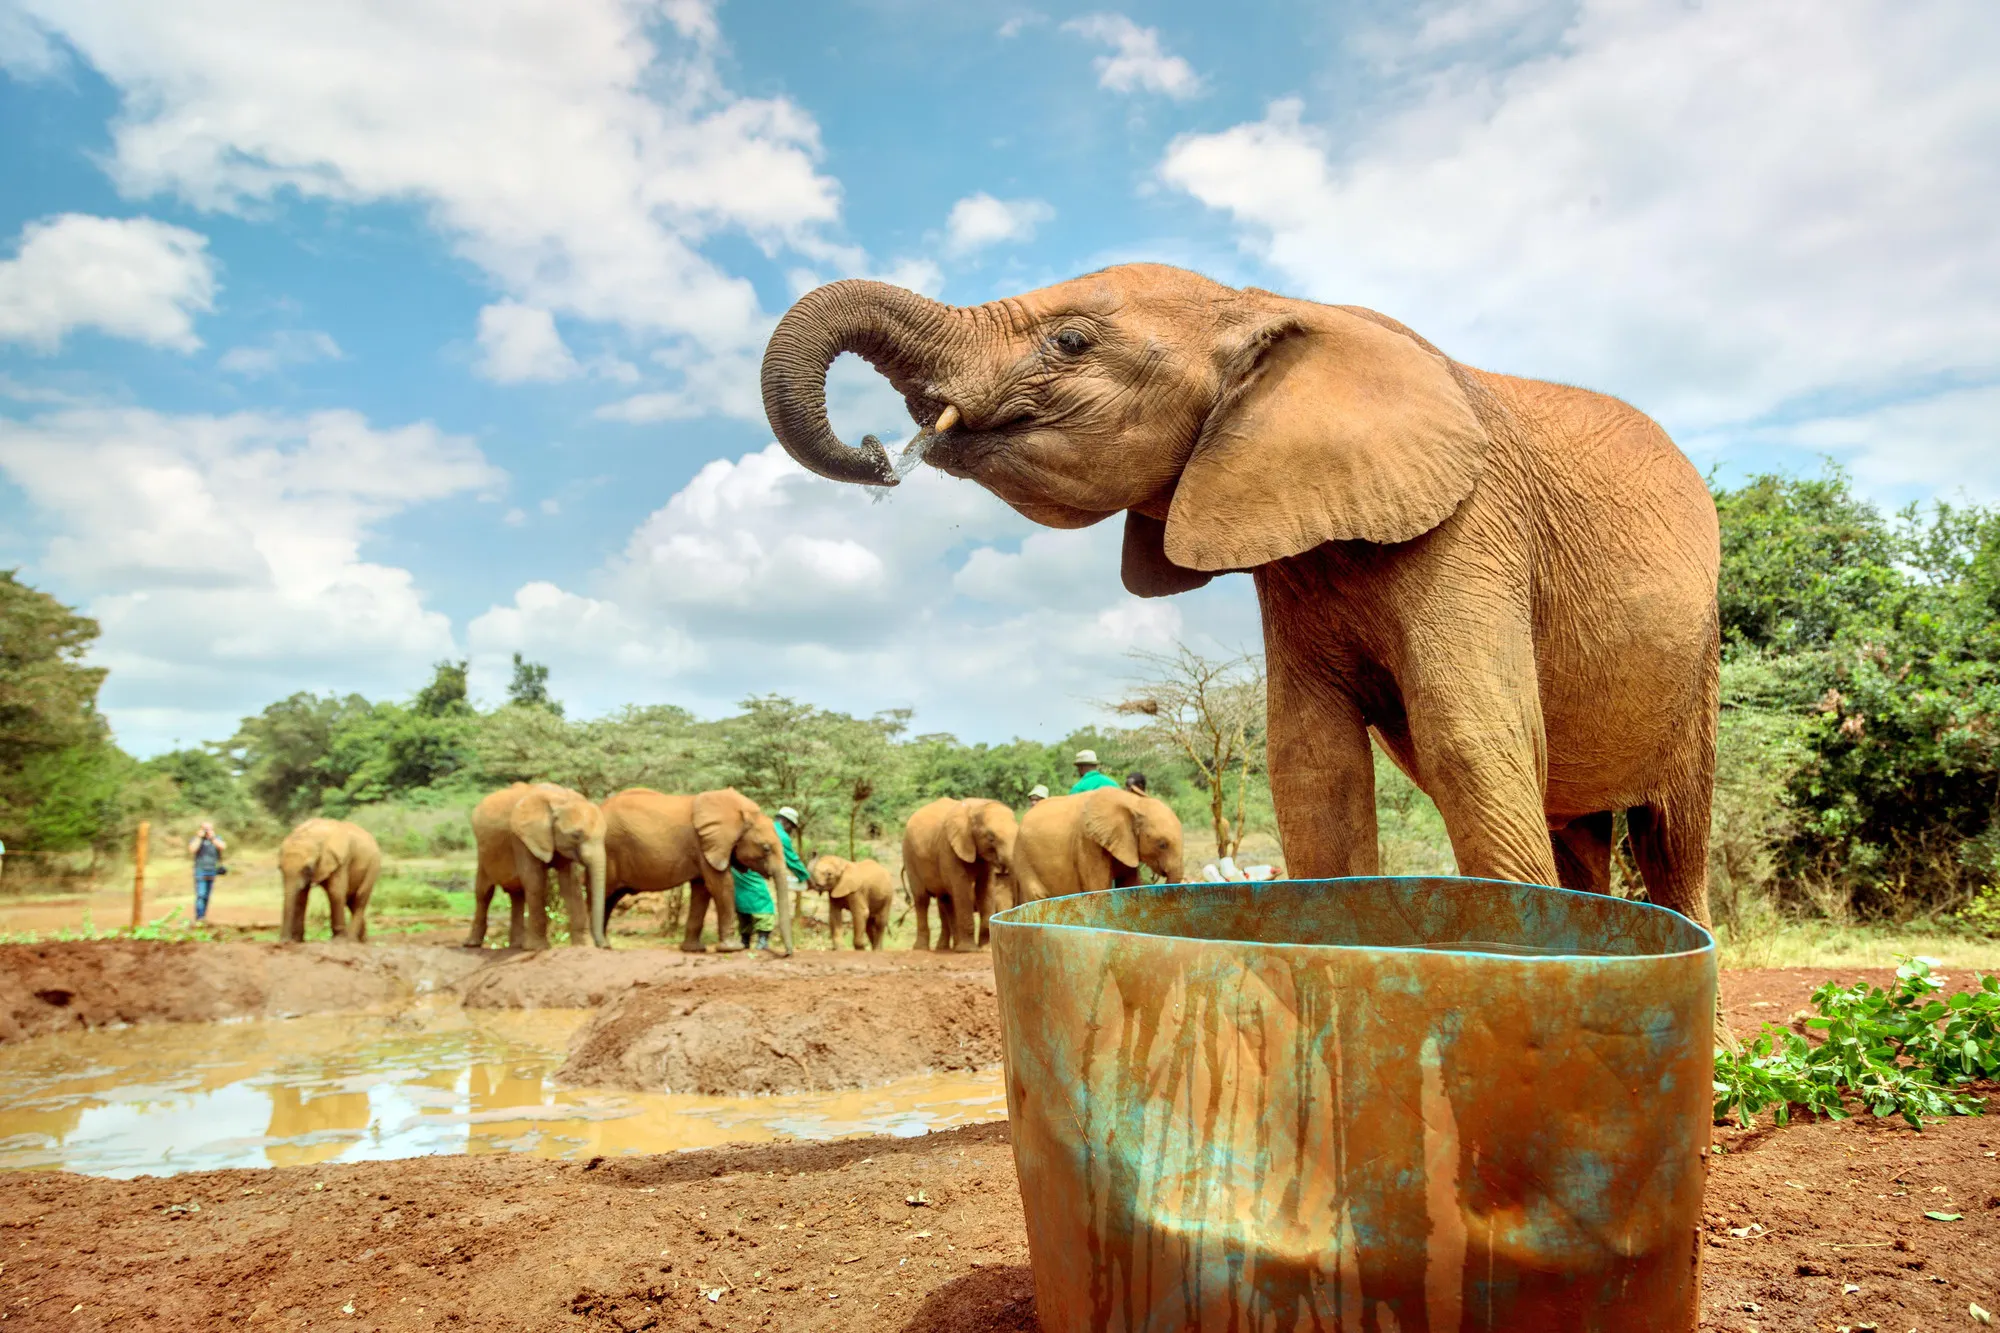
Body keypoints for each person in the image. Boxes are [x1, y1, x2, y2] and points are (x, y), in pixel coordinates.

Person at [731, 805, 811, 952]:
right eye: (791, 827)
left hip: (736, 868)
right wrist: (806, 877)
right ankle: (762, 941)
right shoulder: (777, 834)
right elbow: (791, 859)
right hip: (752, 869)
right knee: (764, 904)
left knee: (743, 902)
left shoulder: (762, 826)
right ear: (787, 823)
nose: (790, 831)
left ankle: (745, 940)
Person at [188, 821, 227, 922]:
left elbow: (222, 847)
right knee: (201, 894)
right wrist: (199, 837)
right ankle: (200, 917)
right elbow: (192, 849)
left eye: (209, 829)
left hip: (212, 870)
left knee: (206, 896)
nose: (207, 831)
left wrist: (212, 838)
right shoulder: (196, 839)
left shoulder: (216, 839)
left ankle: (203, 916)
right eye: (205, 829)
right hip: (200, 870)